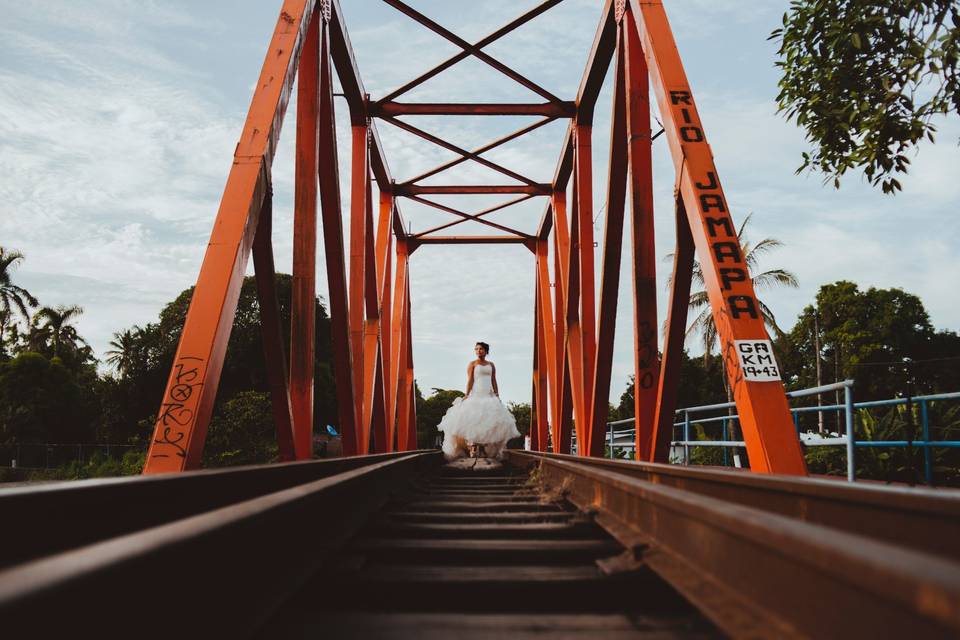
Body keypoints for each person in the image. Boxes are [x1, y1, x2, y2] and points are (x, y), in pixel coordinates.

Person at [437, 341, 520, 460]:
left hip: (489, 395)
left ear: (486, 351)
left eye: (480, 349)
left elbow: (493, 380)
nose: (478, 351)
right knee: (473, 421)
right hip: (476, 394)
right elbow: (470, 380)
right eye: (476, 349)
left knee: (491, 422)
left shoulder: (491, 364)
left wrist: (497, 393)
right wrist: (466, 394)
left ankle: (486, 450)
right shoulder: (472, 364)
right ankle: (473, 448)